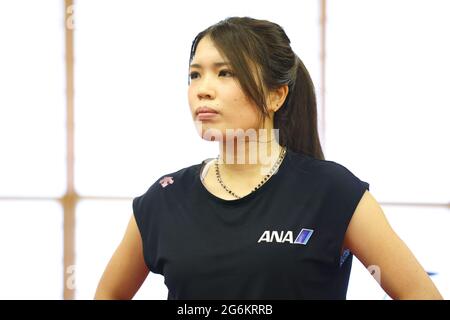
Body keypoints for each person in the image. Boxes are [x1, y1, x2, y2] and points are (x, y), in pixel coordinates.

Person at [94, 17, 442, 300]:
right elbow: (108, 293)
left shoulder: (331, 191)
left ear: (276, 95)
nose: (202, 88)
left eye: (225, 72)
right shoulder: (165, 199)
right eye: (194, 74)